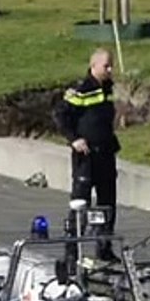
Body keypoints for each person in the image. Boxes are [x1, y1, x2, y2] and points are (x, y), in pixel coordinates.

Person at [54, 47, 120, 262]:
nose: (110, 70)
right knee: (80, 203)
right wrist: (74, 139)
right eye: (106, 66)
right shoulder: (81, 89)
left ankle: (104, 246)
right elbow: (61, 115)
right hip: (86, 156)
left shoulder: (108, 88)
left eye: (111, 66)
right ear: (93, 66)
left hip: (106, 153)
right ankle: (72, 250)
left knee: (107, 203)